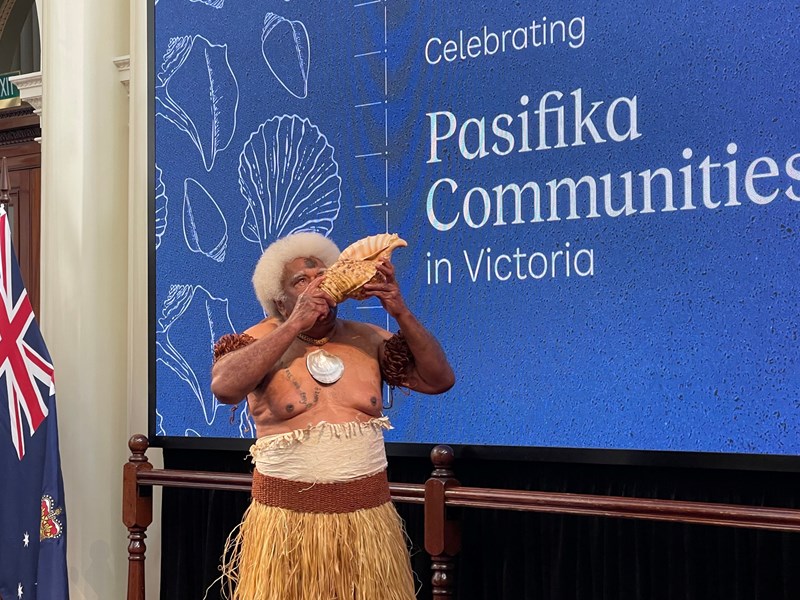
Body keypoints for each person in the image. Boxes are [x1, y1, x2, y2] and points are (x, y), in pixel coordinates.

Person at [210, 231, 455, 600]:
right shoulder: (255, 341)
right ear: (279, 299)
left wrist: (400, 312)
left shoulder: (368, 339)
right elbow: (224, 387)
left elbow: (439, 380)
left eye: (321, 275)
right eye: (301, 281)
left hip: (367, 522)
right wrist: (294, 324)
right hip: (286, 529)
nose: (317, 284)